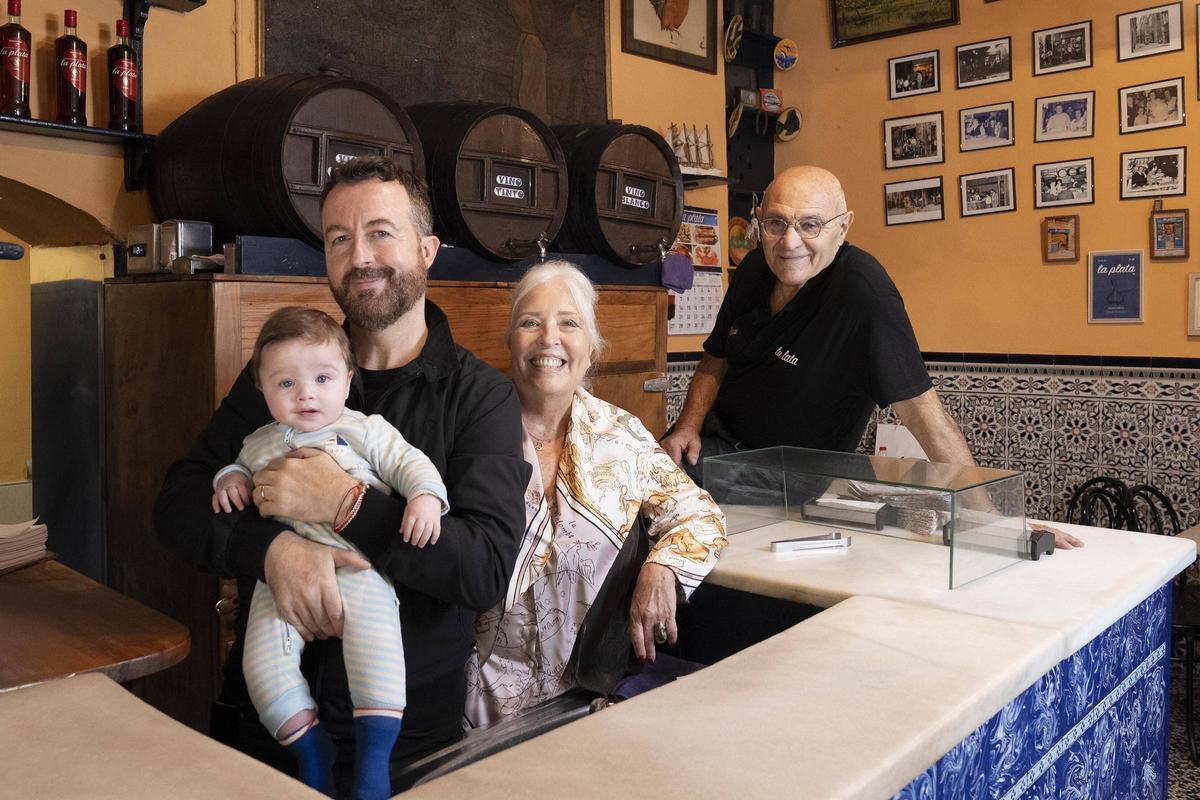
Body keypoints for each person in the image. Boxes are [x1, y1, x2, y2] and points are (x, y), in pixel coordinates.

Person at [154, 156, 528, 794]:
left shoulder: (479, 397)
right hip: (265, 725)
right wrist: (272, 550)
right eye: (339, 238)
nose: (361, 257)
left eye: (381, 232)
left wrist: (349, 506)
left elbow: (485, 565)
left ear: (427, 249)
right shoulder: (284, 373)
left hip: (408, 738)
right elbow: (180, 503)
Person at [660, 165, 1083, 550]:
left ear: (843, 228)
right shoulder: (754, 269)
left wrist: (988, 518)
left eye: (810, 225)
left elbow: (923, 413)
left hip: (784, 481)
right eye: (776, 223)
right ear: (759, 223)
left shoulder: (865, 296)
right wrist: (688, 426)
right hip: (712, 450)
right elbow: (716, 357)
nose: (789, 242)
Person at [464, 261, 728, 727]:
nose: (549, 338)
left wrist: (663, 566)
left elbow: (700, 514)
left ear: (591, 348)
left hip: (581, 702)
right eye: (530, 322)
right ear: (510, 344)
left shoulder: (620, 435)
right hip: (469, 705)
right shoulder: (470, 427)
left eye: (569, 323)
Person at [211, 306, 448, 799]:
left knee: (379, 655)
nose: (307, 395)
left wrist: (425, 497)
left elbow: (410, 464)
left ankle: (373, 765)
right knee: (262, 668)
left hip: (359, 567)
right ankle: (311, 750)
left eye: (322, 378)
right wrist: (230, 480)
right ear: (262, 388)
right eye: (286, 384)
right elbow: (233, 467)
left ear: (347, 379)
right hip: (281, 581)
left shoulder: (366, 429)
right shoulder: (259, 443)